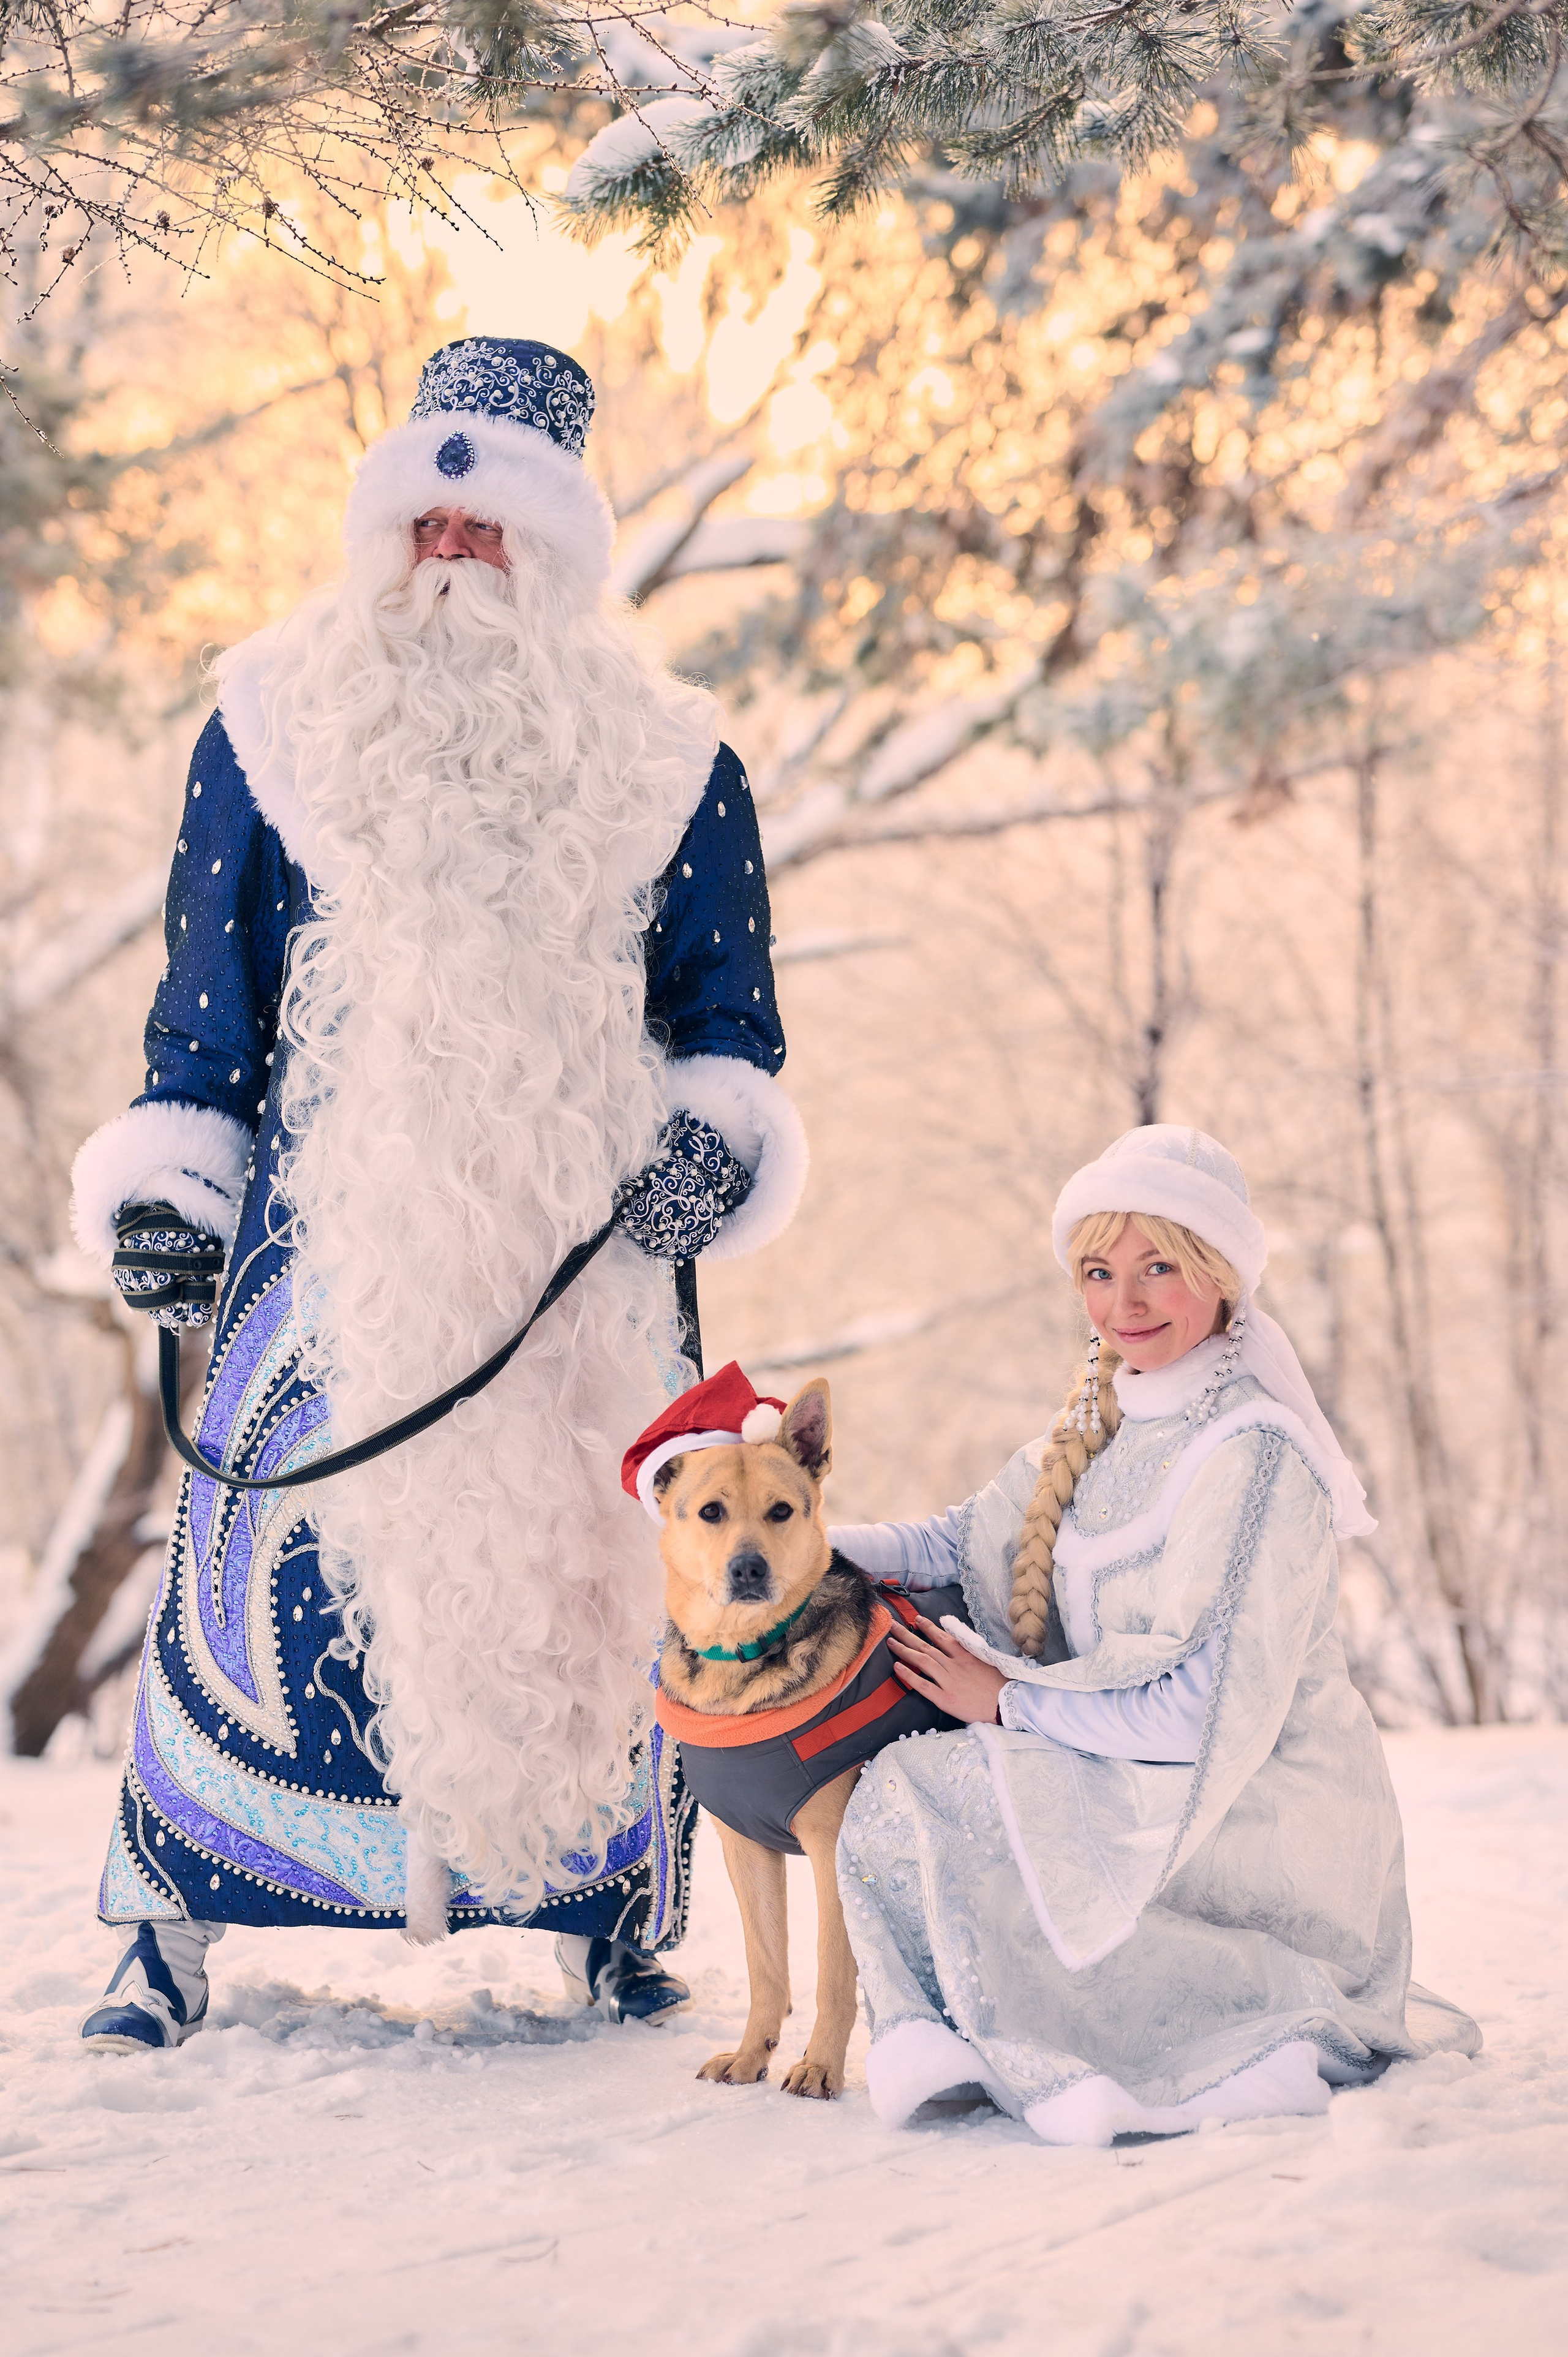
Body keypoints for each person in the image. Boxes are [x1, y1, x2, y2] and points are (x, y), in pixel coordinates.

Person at [69, 336, 807, 2050]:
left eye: (491, 535)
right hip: (334, 1262)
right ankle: (174, 1927)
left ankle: (610, 1915)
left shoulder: (675, 757)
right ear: (379, 531)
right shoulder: (266, 730)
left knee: (599, 1583)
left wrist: (719, 1131)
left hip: (587, 1279)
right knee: (261, 1587)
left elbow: (728, 1018)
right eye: (427, 527)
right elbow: (204, 1015)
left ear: (557, 551)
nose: (453, 557)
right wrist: (172, 1185)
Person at [829, 1125, 1479, 2144]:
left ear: (1219, 1276)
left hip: (1254, 1811)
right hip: (1132, 1768)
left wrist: (1005, 1702)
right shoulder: (1101, 1419)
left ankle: (1116, 2046)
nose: (1122, 1306)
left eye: (1158, 1269)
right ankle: (939, 2033)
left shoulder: (1254, 1453)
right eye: (1099, 1272)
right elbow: (957, 1541)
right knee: (911, 1779)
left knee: (942, 1783)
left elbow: (1206, 1713)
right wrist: (788, 1541)